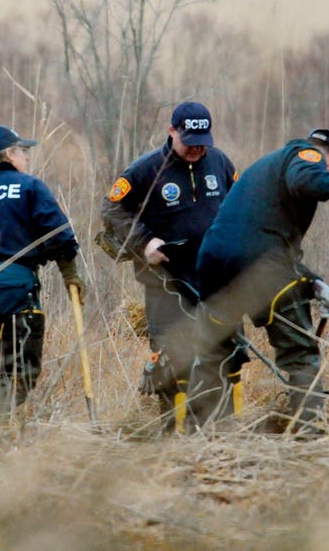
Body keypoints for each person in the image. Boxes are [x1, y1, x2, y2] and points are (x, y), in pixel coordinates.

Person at [189, 128, 329, 435]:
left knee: (214, 354)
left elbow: (267, 244)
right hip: (261, 268)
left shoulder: (265, 171)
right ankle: (308, 435)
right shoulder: (306, 155)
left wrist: (316, 286)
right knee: (300, 354)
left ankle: (206, 436)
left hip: (213, 267)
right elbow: (303, 180)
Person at [100, 101, 237, 432]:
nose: (195, 148)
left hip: (214, 279)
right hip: (166, 283)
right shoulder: (146, 170)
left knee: (222, 354)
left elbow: (238, 204)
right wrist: (145, 241)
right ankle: (169, 436)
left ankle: (220, 435)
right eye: (188, 140)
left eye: (202, 140)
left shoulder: (218, 162)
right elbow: (112, 211)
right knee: (173, 357)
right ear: (172, 131)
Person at [0, 124, 85, 410]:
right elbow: (59, 235)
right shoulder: (30, 186)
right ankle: (10, 434)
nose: (27, 157)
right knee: (18, 373)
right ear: (9, 153)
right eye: (23, 151)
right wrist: (70, 276)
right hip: (12, 285)